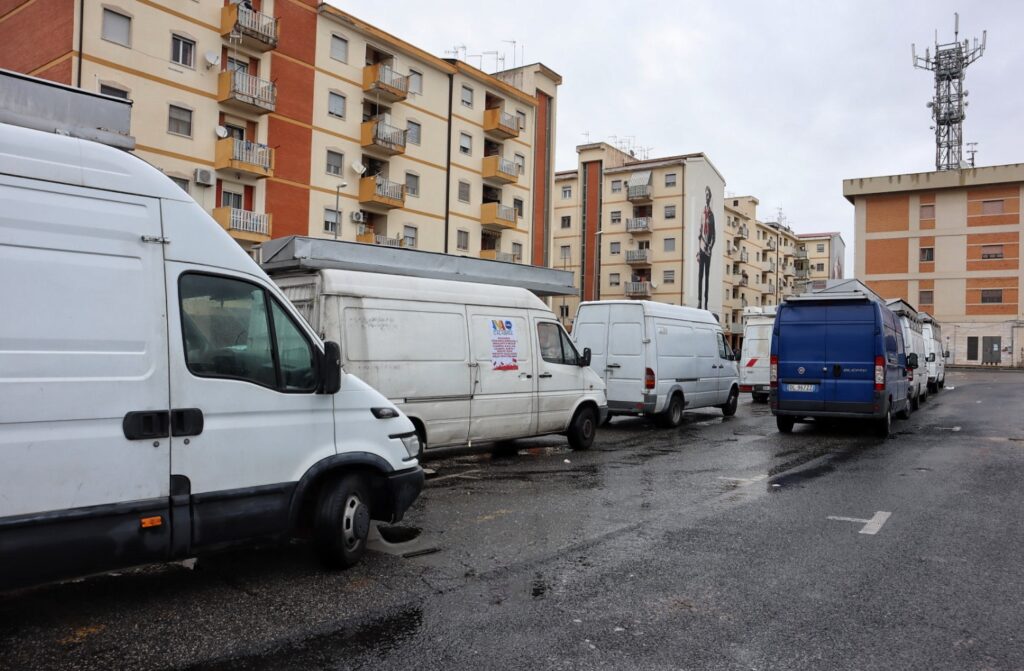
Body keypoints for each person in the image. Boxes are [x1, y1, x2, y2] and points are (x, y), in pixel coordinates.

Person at [696, 186, 716, 310]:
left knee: (707, 276)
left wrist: (711, 246)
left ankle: (706, 303)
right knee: (700, 275)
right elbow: (699, 232)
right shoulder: (702, 214)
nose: (707, 197)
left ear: (710, 197)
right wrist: (699, 250)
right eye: (706, 195)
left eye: (709, 195)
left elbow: (714, 235)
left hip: (708, 250)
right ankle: (699, 301)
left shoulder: (712, 215)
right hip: (702, 248)